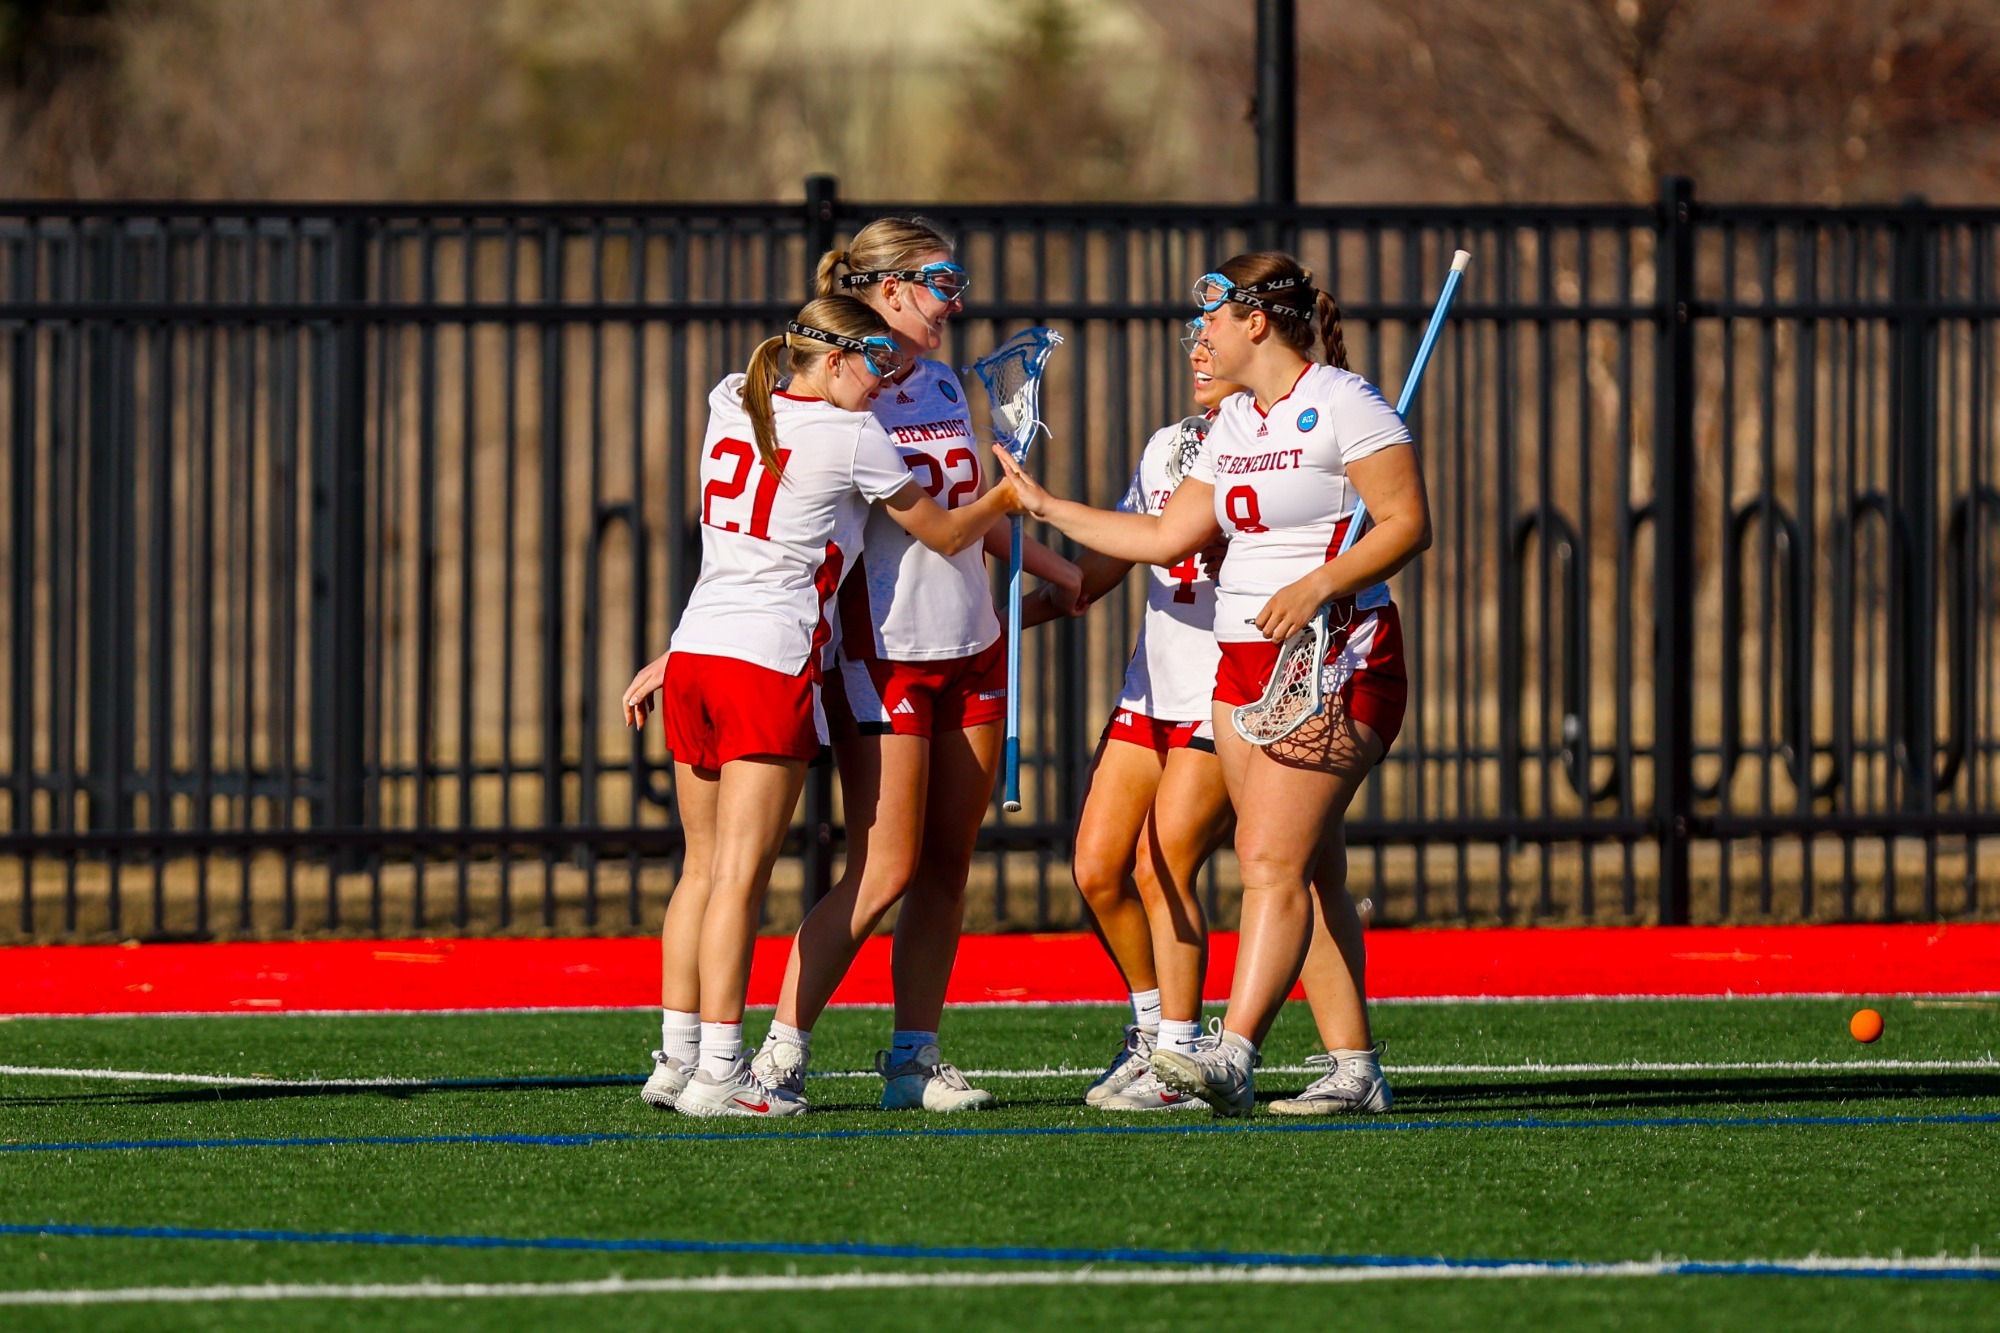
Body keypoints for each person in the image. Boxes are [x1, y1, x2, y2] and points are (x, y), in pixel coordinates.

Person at [990, 252, 1430, 1117]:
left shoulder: (1345, 401)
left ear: (1256, 322)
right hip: (1240, 667)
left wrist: (1317, 584)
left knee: (1267, 859)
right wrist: (1043, 508)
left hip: (1335, 657)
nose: (1201, 337)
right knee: (1310, 872)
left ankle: (1228, 1054)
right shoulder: (1233, 427)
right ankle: (1354, 1068)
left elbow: (1408, 523)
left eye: (1213, 321)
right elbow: (1161, 538)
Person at [619, 295, 1020, 1117]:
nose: (884, 382)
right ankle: (725, 1069)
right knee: (739, 874)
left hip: (694, 654)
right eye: (873, 363)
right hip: (769, 661)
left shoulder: (734, 397)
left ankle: (678, 1054)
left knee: (699, 871)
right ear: (832, 359)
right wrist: (1011, 498)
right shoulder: (853, 434)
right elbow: (945, 535)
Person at [750, 218, 1083, 1113]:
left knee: (947, 863)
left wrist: (1060, 569)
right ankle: (779, 1052)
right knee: (883, 867)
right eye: (944, 279)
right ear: (889, 289)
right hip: (885, 651)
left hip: (970, 643)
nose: (958, 299)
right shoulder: (841, 387)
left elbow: (973, 507)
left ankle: (914, 1054)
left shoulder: (938, 377)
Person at [1019, 320, 1243, 1111]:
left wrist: (1044, 505)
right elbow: (1107, 565)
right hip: (1152, 688)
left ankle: (1183, 1056)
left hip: (1226, 688)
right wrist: (1010, 612)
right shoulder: (1165, 445)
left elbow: (1164, 538)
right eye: (1194, 339)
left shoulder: (1274, 446)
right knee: (1098, 866)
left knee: (1162, 865)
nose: (1198, 354)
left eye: (1214, 338)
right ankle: (1152, 1033)